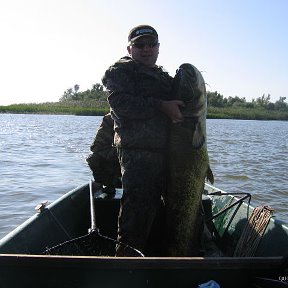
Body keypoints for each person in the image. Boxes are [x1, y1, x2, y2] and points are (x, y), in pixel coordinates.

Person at [102, 24, 184, 256]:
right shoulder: (120, 71)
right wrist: (161, 106)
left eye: (151, 44)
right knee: (136, 214)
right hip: (138, 154)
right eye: (140, 45)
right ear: (130, 48)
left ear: (158, 48)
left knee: (167, 212)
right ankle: (126, 265)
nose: (146, 49)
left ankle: (163, 260)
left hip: (168, 156)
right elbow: (121, 104)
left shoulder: (164, 78)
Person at [86, 113, 121, 197]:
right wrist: (121, 152)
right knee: (93, 158)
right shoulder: (112, 117)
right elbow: (97, 147)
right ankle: (109, 186)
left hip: (152, 161)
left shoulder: (156, 113)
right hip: (125, 158)